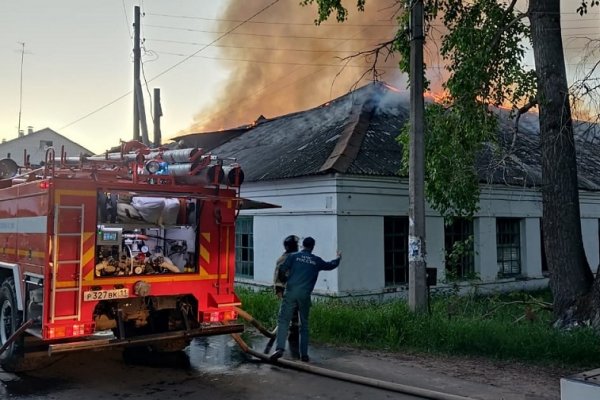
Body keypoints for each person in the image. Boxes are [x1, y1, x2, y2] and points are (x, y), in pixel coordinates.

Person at [270, 236, 341, 362]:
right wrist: (338, 257)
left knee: (283, 321)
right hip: (305, 296)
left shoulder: (293, 256)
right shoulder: (316, 260)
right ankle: (304, 355)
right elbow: (331, 265)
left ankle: (280, 348)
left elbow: (282, 269)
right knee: (304, 325)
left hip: (291, 292)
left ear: (302, 245)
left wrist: (285, 280)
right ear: (313, 247)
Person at [270, 235, 300, 358]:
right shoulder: (283, 260)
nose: (297, 247)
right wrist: (279, 291)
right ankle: (287, 346)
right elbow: (278, 278)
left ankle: (293, 340)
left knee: (294, 317)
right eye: (295, 245)